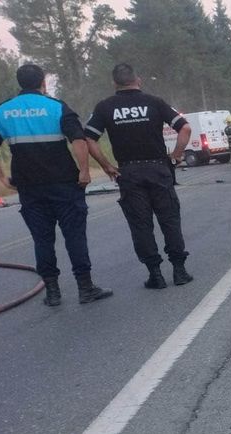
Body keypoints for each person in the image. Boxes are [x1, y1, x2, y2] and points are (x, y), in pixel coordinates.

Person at [0, 64, 112, 306]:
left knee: (42, 239)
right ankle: (85, 287)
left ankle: (52, 292)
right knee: (74, 236)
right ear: (43, 82)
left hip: (29, 187)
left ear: (20, 83)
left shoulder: (3, 112)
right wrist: (83, 171)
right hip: (64, 184)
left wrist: (2, 178)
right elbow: (78, 140)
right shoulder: (56, 107)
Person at [84, 63, 193, 289]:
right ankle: (179, 271)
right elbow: (185, 128)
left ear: (114, 83)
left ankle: (155, 274)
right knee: (169, 219)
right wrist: (176, 155)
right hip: (158, 169)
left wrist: (106, 166)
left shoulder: (105, 107)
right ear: (138, 80)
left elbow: (89, 138)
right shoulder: (154, 102)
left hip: (129, 172)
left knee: (140, 225)